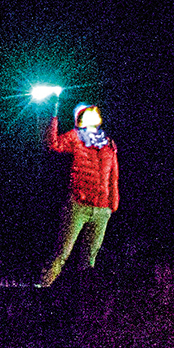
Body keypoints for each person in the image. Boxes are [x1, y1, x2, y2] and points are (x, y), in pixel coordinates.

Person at [39, 100, 120, 284]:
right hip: (78, 204)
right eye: (86, 113)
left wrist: (112, 203)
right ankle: (44, 286)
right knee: (63, 252)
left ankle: (83, 295)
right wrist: (53, 114)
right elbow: (53, 144)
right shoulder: (76, 136)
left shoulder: (107, 142)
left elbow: (113, 175)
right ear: (79, 118)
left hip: (101, 208)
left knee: (90, 258)